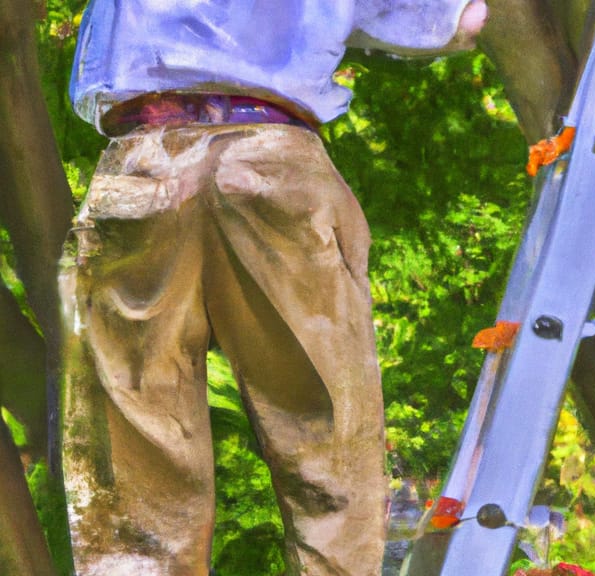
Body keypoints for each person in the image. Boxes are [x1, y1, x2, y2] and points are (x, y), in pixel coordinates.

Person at [61, 1, 487, 574]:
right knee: (327, 448)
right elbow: (462, 20)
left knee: (136, 475)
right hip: (272, 158)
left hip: (143, 163)